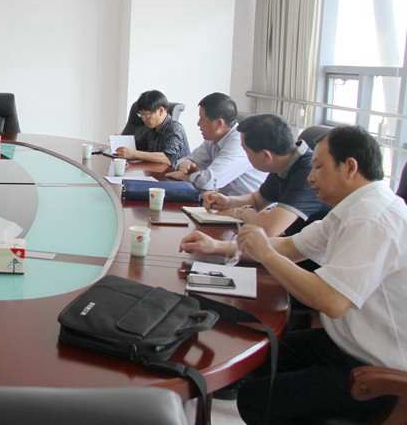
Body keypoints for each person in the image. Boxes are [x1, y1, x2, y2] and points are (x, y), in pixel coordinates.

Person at [234, 125, 405, 423]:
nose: (310, 177)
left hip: (377, 370)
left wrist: (266, 254)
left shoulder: (372, 218)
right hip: (345, 343)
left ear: (350, 167)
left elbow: (332, 301)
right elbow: (291, 246)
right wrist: (220, 247)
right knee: (256, 355)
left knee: (255, 399)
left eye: (318, 167)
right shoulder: (352, 208)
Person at [179, 114, 328, 260]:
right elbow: (257, 200)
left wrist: (241, 213)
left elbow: (269, 229)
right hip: (283, 249)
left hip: (307, 260)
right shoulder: (284, 162)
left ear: (266, 156)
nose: (245, 157)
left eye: (246, 151)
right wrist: (227, 201)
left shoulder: (307, 172)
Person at [165, 93, 265, 195]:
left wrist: (186, 177)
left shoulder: (239, 143)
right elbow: (189, 159)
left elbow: (208, 182)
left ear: (219, 123)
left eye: (202, 119)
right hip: (223, 199)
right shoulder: (212, 139)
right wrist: (184, 164)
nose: (198, 124)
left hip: (249, 203)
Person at [115, 90, 189, 166]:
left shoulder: (175, 129)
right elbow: (139, 147)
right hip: (154, 170)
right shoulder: (151, 127)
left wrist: (134, 154)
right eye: (141, 114)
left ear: (161, 111)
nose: (143, 119)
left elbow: (168, 158)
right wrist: (118, 141)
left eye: (147, 114)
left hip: (174, 172)